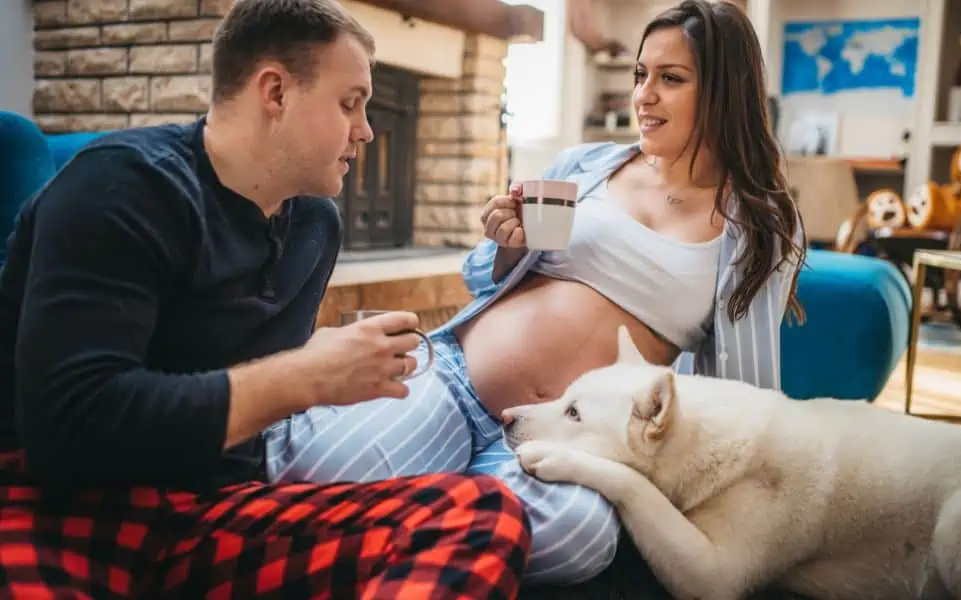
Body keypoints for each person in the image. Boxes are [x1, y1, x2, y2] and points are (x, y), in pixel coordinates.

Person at [265, 0, 806, 586]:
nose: (644, 95)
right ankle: (440, 513)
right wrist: (507, 244)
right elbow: (486, 278)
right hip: (458, 379)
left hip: (569, 434)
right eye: (640, 75)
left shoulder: (756, 225)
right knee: (319, 466)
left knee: (580, 536)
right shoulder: (589, 165)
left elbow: (746, 391)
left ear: (726, 92)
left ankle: (398, 509)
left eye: (670, 79)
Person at [0, 1, 531, 597]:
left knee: (482, 512)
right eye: (349, 102)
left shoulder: (314, 225)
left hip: (212, 512)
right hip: (59, 508)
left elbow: (258, 427)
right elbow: (69, 428)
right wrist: (302, 377)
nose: (366, 129)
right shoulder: (120, 188)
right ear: (275, 92)